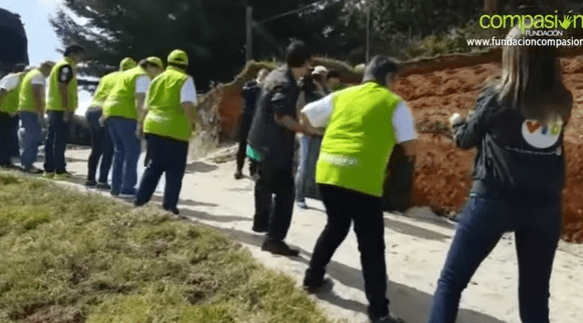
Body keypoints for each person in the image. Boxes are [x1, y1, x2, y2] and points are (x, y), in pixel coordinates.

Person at [426, 27, 572, 323]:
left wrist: (456, 122)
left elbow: (466, 138)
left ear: (513, 57)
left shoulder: (496, 95)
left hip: (493, 200)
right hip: (544, 206)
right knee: (534, 296)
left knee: (451, 282)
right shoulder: (562, 99)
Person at [300, 55, 417, 323]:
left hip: (328, 173)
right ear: (388, 79)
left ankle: (312, 278)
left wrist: (315, 135)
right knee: (371, 245)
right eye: (395, 80)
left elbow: (305, 114)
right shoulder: (393, 103)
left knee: (336, 227)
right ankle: (379, 312)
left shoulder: (341, 96)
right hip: (362, 178)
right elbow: (410, 146)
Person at [246, 40, 321, 256]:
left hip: (254, 142)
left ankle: (260, 223)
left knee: (262, 181)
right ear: (305, 62)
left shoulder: (274, 74)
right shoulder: (286, 84)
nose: (310, 69)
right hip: (273, 148)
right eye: (309, 64)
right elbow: (283, 117)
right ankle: (274, 239)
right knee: (285, 193)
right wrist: (307, 131)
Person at [133, 50, 199, 215]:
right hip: (175, 129)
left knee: (154, 166)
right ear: (185, 65)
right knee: (175, 170)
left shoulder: (156, 80)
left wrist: (141, 125)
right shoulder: (185, 79)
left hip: (153, 126)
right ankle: (169, 207)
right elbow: (187, 105)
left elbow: (146, 107)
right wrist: (196, 123)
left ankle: (140, 200)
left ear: (168, 62)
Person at [102, 57, 164, 198]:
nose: (157, 74)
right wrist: (141, 122)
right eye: (158, 70)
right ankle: (128, 188)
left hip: (110, 112)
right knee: (133, 150)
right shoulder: (142, 76)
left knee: (120, 151)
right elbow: (141, 99)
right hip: (125, 113)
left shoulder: (127, 74)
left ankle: (116, 187)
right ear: (150, 67)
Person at [85, 57, 137, 189]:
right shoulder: (127, 78)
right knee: (109, 148)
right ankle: (102, 181)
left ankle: (90, 179)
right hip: (105, 111)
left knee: (96, 147)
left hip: (92, 109)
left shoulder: (106, 77)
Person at [44, 45, 87, 180]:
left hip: (54, 107)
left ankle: (50, 170)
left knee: (52, 139)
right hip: (60, 108)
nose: (82, 58)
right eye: (80, 55)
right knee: (59, 140)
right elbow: (63, 86)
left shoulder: (58, 66)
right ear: (73, 54)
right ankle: (59, 171)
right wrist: (67, 108)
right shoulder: (66, 67)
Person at [295, 66, 328, 209]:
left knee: (313, 164)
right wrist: (306, 128)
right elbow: (299, 110)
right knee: (303, 165)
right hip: (306, 133)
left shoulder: (321, 90)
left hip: (318, 132)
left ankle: (310, 193)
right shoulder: (302, 89)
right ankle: (299, 197)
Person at [16, 61, 55, 174]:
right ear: (47, 69)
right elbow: (38, 95)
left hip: (25, 108)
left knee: (29, 136)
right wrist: (41, 113)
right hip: (31, 110)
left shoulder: (31, 74)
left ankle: (26, 163)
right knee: (33, 137)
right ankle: (28, 165)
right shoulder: (38, 76)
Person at [234, 68, 269, 180]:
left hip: (259, 119)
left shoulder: (267, 87)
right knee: (242, 143)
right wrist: (258, 86)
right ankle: (239, 168)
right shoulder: (250, 85)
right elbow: (244, 93)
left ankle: (253, 168)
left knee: (255, 144)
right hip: (247, 117)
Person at [0, 63, 27, 169]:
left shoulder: (21, 80)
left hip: (11, 113)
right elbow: (1, 91)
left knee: (8, 137)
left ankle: (6, 162)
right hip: (4, 112)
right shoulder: (13, 77)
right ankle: (3, 162)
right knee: (4, 137)